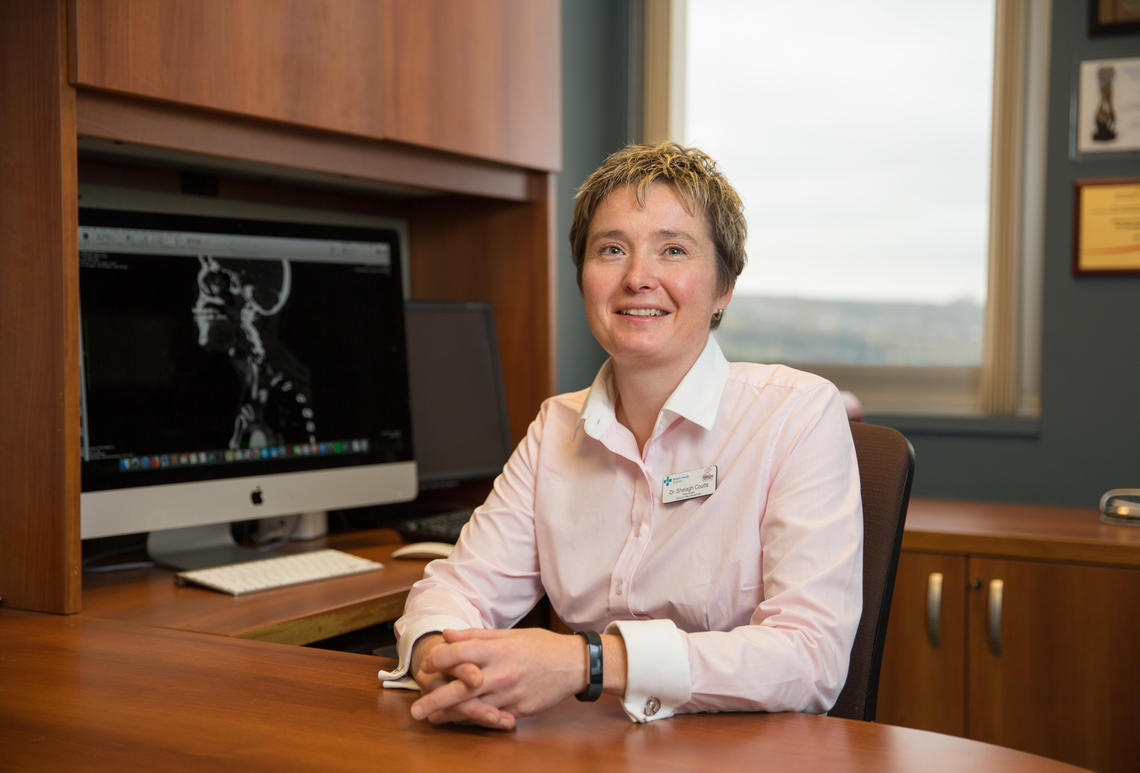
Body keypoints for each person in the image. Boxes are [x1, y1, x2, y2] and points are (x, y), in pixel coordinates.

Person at [378, 142, 863, 729]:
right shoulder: (556, 426)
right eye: (611, 250)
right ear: (584, 275)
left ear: (723, 288)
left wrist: (589, 662)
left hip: (740, 751)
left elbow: (810, 658)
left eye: (673, 250)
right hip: (588, 746)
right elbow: (459, 588)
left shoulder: (797, 415)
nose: (638, 278)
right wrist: (438, 655)